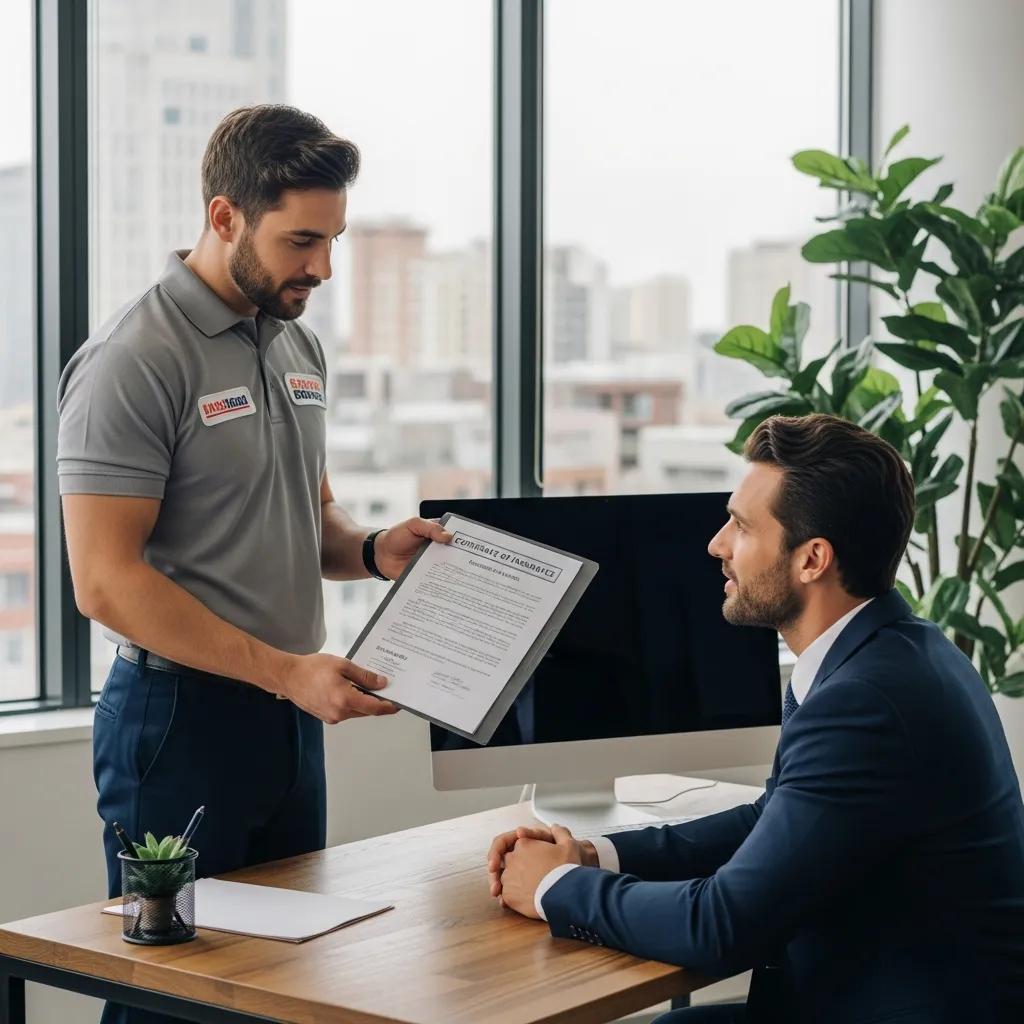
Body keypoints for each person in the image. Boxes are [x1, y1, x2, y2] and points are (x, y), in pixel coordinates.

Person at [58, 105, 450, 1024]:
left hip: (285, 721)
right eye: (301, 240)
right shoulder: (134, 360)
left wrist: (369, 550)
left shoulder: (296, 340)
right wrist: (286, 673)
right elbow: (103, 582)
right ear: (225, 216)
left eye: (332, 240)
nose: (320, 268)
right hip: (175, 726)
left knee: (282, 988)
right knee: (173, 999)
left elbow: (306, 514)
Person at [487, 413, 1024, 1023]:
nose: (717, 544)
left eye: (741, 527)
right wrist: (594, 855)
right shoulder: (892, 651)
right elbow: (773, 816)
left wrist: (554, 888)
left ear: (812, 559)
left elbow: (721, 925)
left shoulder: (866, 701)